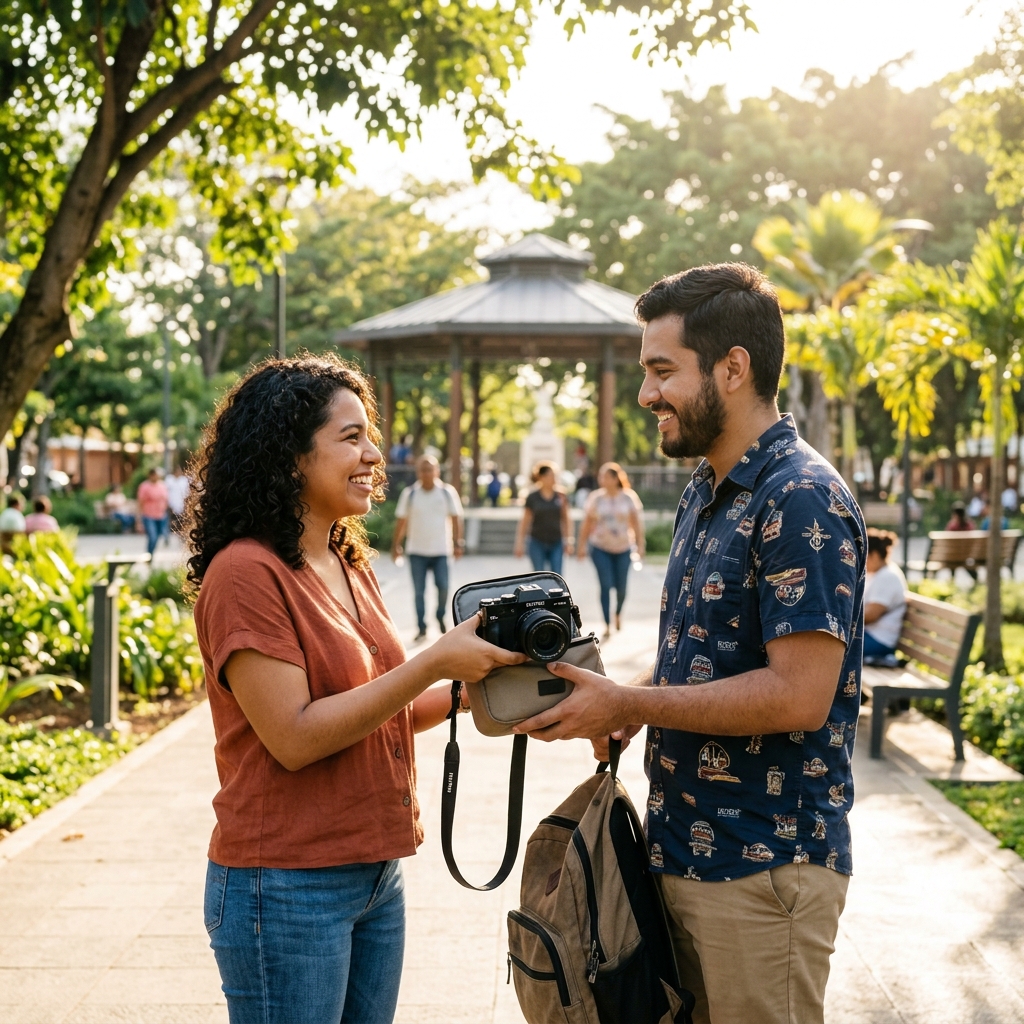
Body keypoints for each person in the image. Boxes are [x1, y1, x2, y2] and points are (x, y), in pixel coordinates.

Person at [514, 263, 866, 1024]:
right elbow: (707, 652)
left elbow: (800, 695)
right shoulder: (706, 491)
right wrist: (626, 701)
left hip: (764, 870)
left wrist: (634, 699)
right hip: (682, 853)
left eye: (662, 371)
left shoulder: (799, 494)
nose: (646, 396)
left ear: (732, 368)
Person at [185, 355, 523, 1024]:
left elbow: (382, 708)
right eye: (351, 437)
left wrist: (487, 685)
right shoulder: (245, 573)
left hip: (374, 873)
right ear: (289, 455)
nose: (376, 454)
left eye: (371, 436)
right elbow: (295, 737)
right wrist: (433, 662)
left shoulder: (344, 558)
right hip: (283, 884)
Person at [391, 455, 464, 641]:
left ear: (437, 471)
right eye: (423, 470)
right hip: (416, 551)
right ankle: (421, 627)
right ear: (418, 473)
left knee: (444, 587)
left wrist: (458, 542)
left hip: (441, 551)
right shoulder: (410, 494)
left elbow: (456, 518)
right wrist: (396, 545)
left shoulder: (447, 493)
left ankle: (440, 616)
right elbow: (401, 521)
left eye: (430, 469)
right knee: (419, 592)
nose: (427, 473)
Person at [577, 462, 645, 639]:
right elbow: (587, 524)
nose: (602, 479)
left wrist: (640, 544)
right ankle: (607, 623)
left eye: (606, 476)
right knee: (605, 585)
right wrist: (581, 546)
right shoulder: (595, 498)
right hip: (600, 548)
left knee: (621, 588)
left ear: (616, 479)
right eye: (601, 476)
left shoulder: (629, 497)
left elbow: (636, 523)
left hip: (623, 548)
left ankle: (618, 614)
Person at [514, 461, 573, 574]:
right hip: (537, 540)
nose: (552, 479)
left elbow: (566, 519)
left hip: (556, 540)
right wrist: (519, 543)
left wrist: (568, 540)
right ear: (541, 477)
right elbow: (525, 521)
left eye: (554, 476)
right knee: (539, 574)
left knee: (556, 574)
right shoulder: (532, 497)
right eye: (549, 476)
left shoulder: (561, 495)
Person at [862, 529, 907, 664]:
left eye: (864, 556)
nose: (861, 562)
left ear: (874, 555)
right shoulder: (877, 574)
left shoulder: (888, 576)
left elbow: (871, 616)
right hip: (870, 636)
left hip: (880, 640)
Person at [137, 468, 170, 557]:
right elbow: (140, 502)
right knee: (153, 536)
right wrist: (138, 519)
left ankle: (151, 554)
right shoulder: (144, 486)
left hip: (161, 515)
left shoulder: (162, 485)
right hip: (149, 515)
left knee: (157, 537)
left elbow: (166, 499)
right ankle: (149, 554)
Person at [166, 465, 191, 534]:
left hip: (181, 504)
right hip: (171, 504)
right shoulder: (169, 480)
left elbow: (187, 492)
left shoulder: (184, 480)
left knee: (180, 520)